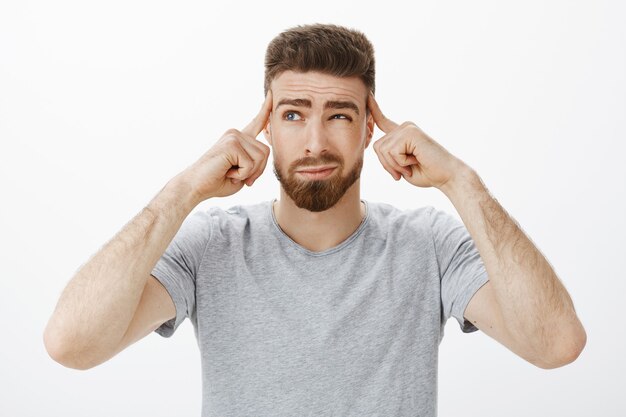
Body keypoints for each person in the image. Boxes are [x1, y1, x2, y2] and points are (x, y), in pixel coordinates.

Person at [44, 23, 586, 416]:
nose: (316, 142)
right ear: (267, 127)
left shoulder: (430, 245)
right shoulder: (213, 245)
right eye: (294, 114)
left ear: (369, 128)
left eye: (340, 115)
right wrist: (183, 190)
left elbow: (556, 345)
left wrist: (461, 181)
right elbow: (71, 344)